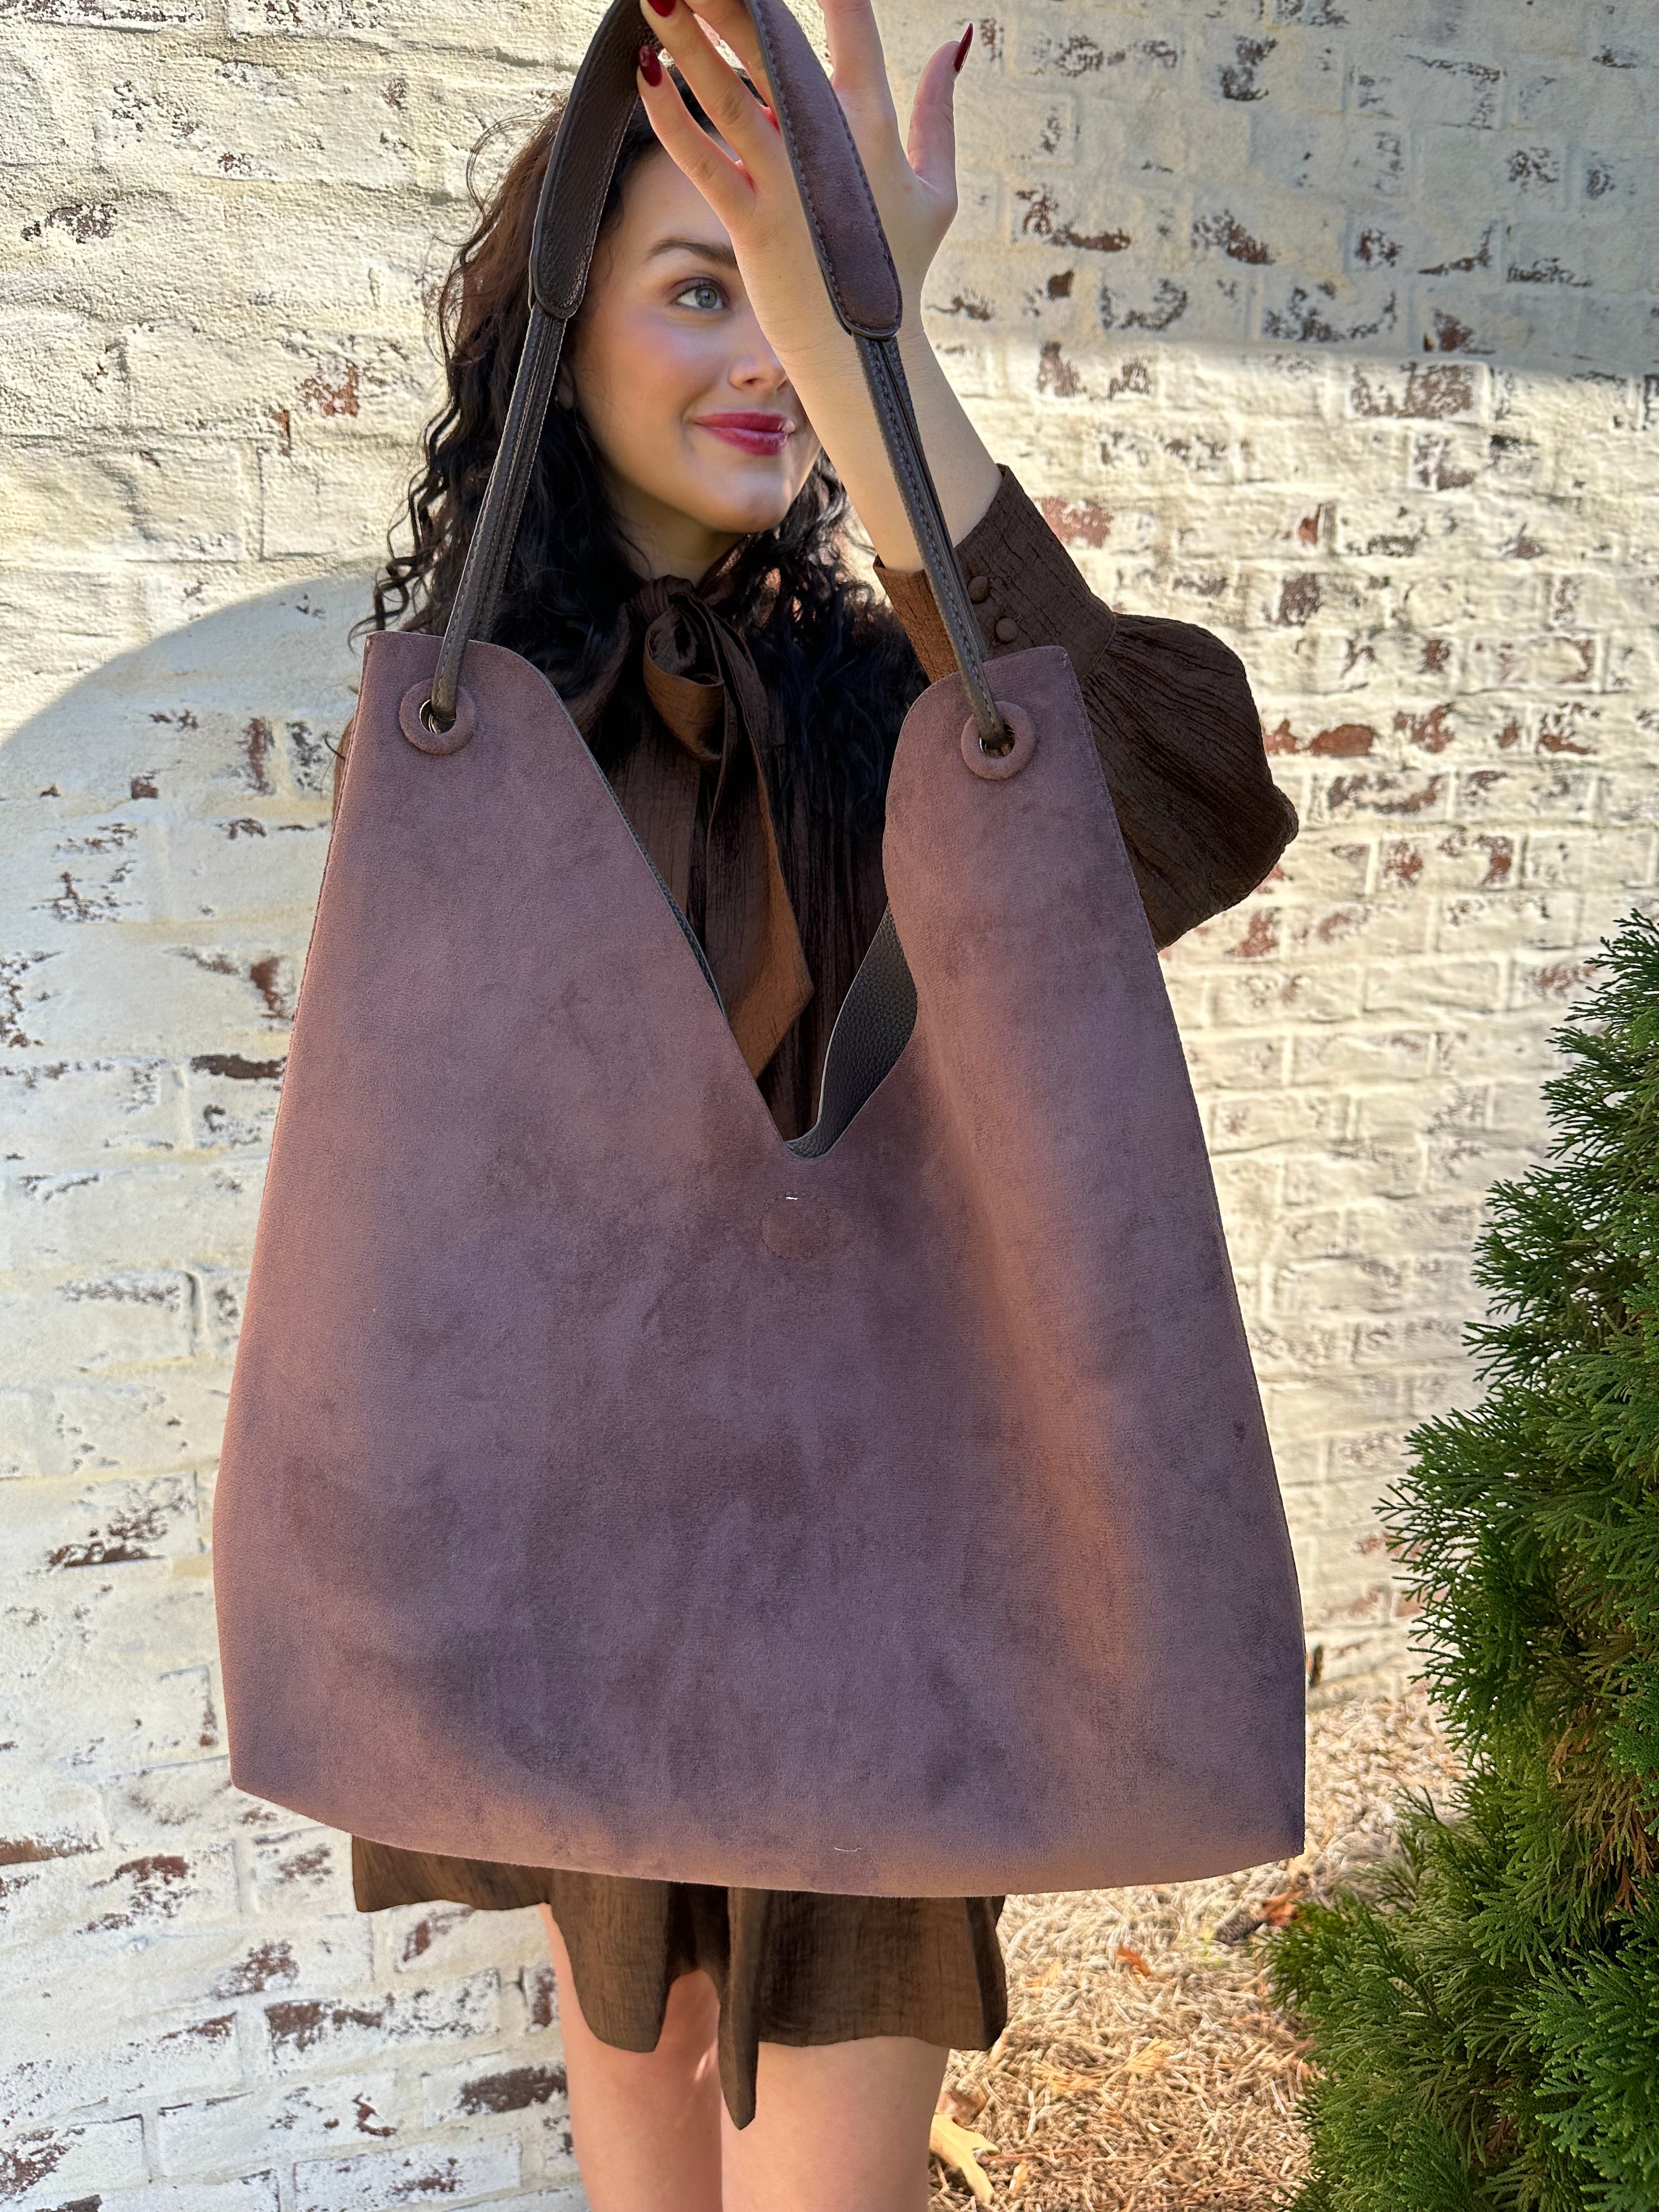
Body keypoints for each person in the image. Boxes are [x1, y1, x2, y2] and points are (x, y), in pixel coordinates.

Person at [343, 1, 1297, 2204]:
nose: (757, 350)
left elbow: (1187, 800)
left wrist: (876, 352)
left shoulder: (911, 715)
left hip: (881, 1575)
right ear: (561, 331)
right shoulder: (482, 753)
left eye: (783, 295)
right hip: (587, 1573)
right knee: (642, 2115)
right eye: (705, 289)